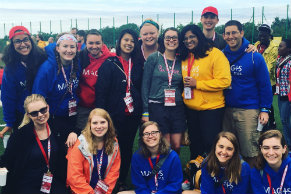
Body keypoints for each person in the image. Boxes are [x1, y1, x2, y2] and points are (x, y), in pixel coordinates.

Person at [95, 29, 143, 191]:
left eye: (132, 41)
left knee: (127, 147)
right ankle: (106, 179)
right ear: (120, 42)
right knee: (110, 147)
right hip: (113, 116)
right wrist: (102, 116)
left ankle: (121, 179)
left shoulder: (138, 64)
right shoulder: (109, 63)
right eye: (126, 40)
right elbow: (101, 92)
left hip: (131, 116)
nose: (129, 43)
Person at [222, 20, 273, 167]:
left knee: (250, 152)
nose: (231, 36)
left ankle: (255, 185)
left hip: (248, 110)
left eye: (234, 32)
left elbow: (264, 85)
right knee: (228, 151)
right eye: (228, 33)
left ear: (242, 33)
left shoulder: (254, 56)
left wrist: (265, 109)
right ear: (224, 36)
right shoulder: (222, 55)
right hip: (226, 109)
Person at [180, 24, 231, 160]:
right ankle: (194, 176)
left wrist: (198, 84)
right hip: (191, 109)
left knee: (210, 145)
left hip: (211, 109)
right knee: (195, 145)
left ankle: (212, 176)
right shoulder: (185, 55)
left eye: (192, 37)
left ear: (199, 36)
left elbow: (225, 81)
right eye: (185, 38)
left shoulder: (215, 54)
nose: (188, 40)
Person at [0, 94, 67, 194]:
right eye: (34, 113)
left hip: (52, 181)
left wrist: (72, 133)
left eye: (43, 110)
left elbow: (73, 130)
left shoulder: (56, 126)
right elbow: (7, 159)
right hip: (27, 184)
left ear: (48, 107)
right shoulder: (20, 135)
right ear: (28, 115)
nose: (40, 115)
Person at [141, 27, 186, 154]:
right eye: (168, 37)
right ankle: (162, 173)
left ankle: (173, 171)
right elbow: (145, 85)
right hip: (157, 106)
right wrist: (145, 111)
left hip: (177, 107)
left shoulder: (182, 60)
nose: (171, 40)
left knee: (177, 144)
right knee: (164, 144)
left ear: (179, 40)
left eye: (174, 38)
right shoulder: (154, 58)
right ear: (163, 40)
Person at [32, 34, 81, 148]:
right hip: (54, 118)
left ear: (76, 49)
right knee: (57, 152)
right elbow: (38, 98)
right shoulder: (47, 69)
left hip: (73, 114)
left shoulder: (77, 64)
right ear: (58, 48)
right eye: (65, 46)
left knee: (73, 149)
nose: (69, 50)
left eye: (72, 47)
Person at [0, 26, 47, 138]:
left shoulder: (42, 58)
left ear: (30, 40)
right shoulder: (10, 67)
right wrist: (10, 122)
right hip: (22, 115)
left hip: (43, 113)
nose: (23, 44)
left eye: (25, 39)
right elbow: (7, 97)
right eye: (17, 41)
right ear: (12, 45)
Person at [118, 121, 183, 194]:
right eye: (146, 134)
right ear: (142, 138)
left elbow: (175, 184)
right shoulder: (137, 157)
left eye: (154, 132)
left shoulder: (172, 156)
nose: (150, 136)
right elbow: (139, 185)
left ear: (160, 135)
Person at [67, 108, 121, 194]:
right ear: (89, 125)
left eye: (103, 122)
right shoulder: (79, 145)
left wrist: (105, 192)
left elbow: (113, 172)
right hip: (81, 191)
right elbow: (75, 177)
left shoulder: (113, 143)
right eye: (95, 123)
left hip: (103, 191)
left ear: (108, 124)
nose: (99, 126)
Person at [183, 132, 251, 194]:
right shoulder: (207, 162)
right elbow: (207, 191)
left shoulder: (243, 167)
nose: (224, 152)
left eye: (229, 149)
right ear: (215, 146)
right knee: (185, 193)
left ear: (235, 152)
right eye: (221, 147)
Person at [77, 29, 115, 131]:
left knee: (102, 139)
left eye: (98, 43)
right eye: (91, 43)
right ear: (85, 43)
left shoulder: (111, 58)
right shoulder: (80, 58)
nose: (94, 46)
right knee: (83, 139)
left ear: (103, 43)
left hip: (103, 108)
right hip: (84, 108)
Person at [255, 24, 281, 130]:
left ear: (269, 36)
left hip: (269, 81)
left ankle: (271, 123)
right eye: (260, 35)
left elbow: (269, 67)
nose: (261, 38)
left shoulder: (274, 48)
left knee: (267, 103)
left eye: (264, 36)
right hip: (256, 81)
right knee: (260, 103)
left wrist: (255, 70)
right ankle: (262, 123)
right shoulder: (256, 45)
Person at [275, 39, 291, 149]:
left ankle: (288, 144)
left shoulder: (290, 62)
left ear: (289, 49)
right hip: (280, 94)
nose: (278, 48)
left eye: (281, 46)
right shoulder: (280, 59)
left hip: (287, 95)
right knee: (283, 119)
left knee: (285, 120)